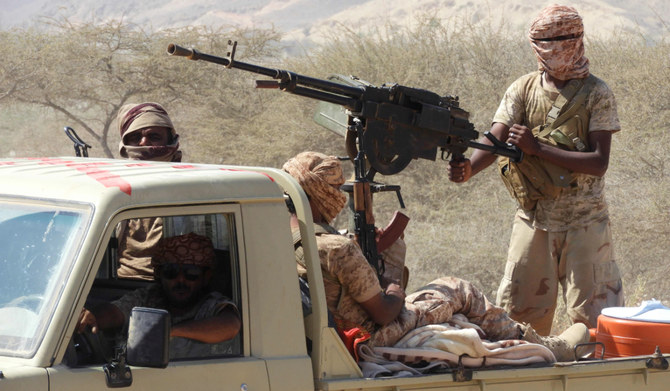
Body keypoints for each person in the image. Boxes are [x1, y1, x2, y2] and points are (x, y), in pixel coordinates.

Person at [283, 151, 589, 362]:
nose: (340, 196)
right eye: (336, 189)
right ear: (320, 192)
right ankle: (545, 346)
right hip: (374, 334)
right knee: (459, 290)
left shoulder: (276, 236)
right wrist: (393, 292)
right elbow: (384, 314)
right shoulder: (335, 248)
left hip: (337, 332)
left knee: (452, 308)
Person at [448, 4, 624, 335]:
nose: (550, 50)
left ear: (575, 40)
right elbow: (495, 137)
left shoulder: (596, 93)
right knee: (518, 320)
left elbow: (599, 162)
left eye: (558, 41)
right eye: (543, 42)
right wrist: (469, 169)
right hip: (533, 220)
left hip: (586, 224)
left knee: (596, 323)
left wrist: (537, 148)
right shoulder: (523, 89)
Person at [77, 232, 241, 359]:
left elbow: (230, 326)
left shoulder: (213, 305)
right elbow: (115, 312)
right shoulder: (149, 297)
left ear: (205, 277)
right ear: (159, 274)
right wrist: (93, 317)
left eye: (191, 273)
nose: (180, 280)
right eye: (171, 272)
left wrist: (170, 331)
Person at [115, 102, 182, 280]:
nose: (143, 143)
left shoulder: (187, 188)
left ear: (170, 141)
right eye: (135, 137)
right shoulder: (115, 190)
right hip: (117, 284)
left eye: (154, 137)